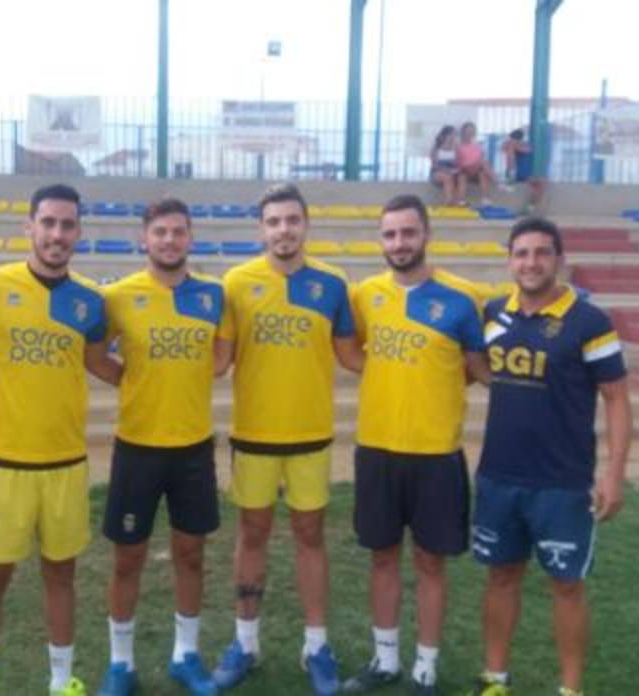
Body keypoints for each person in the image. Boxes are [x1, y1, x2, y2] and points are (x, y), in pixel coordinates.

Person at [0, 183, 121, 696]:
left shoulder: (90, 303)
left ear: (78, 232)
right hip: (5, 464)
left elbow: (101, 363)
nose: (56, 234)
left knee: (61, 577)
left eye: (67, 224)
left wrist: (159, 375)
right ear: (28, 226)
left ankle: (61, 681)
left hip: (65, 464)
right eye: (47, 222)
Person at [466, 217, 632, 696]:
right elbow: (474, 367)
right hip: (499, 476)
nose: (531, 262)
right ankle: (495, 680)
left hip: (563, 482)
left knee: (566, 586)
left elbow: (617, 398)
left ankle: (570, 689)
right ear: (509, 260)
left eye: (541, 253)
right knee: (500, 577)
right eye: (521, 253)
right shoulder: (493, 314)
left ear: (559, 260)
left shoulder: (589, 320)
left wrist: (614, 474)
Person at [210, 183, 361, 696]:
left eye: (292, 220)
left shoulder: (333, 284)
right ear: (261, 229)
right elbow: (220, 359)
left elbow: (352, 356)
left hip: (311, 437)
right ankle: (245, 643)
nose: (283, 230)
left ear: (306, 225)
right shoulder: (236, 282)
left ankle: (315, 645)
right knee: (251, 536)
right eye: (273, 221)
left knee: (310, 537)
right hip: (253, 436)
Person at [342, 193, 490, 695]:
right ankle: (385, 660)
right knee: (381, 557)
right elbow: (350, 349)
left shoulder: (463, 297)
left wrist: (433, 382)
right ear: (380, 240)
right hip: (378, 449)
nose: (399, 243)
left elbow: (476, 368)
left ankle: (425, 665)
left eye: (408, 232)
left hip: (436, 454)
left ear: (426, 234)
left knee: (430, 562)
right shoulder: (365, 296)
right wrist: (393, 375)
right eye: (389, 234)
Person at [96, 198, 223, 696]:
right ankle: (120, 663)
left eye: (178, 232)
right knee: (127, 558)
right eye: (160, 232)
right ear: (144, 239)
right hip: (137, 448)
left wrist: (184, 380)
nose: (169, 240)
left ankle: (185, 655)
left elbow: (223, 354)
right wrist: (131, 380)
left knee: (190, 554)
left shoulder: (212, 295)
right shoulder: (120, 296)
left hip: (193, 449)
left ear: (190, 238)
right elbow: (94, 352)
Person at [500, 130, 547, 215]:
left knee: (541, 183)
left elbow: (527, 150)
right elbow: (503, 148)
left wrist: (516, 146)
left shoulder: (525, 145)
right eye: (512, 139)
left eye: (515, 139)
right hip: (513, 172)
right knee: (510, 150)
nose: (513, 141)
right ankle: (511, 178)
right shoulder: (509, 145)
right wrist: (511, 145)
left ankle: (530, 208)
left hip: (525, 174)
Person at [455, 122, 496, 206]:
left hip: (476, 170)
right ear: (463, 132)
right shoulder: (457, 145)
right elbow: (458, 162)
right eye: (468, 131)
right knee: (464, 176)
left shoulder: (477, 145)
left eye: (472, 131)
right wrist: (471, 166)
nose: (470, 133)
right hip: (463, 170)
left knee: (483, 174)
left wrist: (476, 165)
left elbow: (480, 158)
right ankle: (497, 181)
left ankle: (485, 199)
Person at [430, 126, 459, 207]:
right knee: (447, 177)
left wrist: (455, 170)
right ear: (444, 135)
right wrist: (446, 170)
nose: (453, 137)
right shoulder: (436, 148)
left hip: (452, 172)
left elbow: (458, 163)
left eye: (454, 135)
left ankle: (459, 201)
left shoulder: (456, 148)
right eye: (451, 135)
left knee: (460, 177)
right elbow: (434, 165)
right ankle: (448, 201)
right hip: (437, 173)